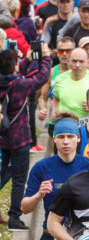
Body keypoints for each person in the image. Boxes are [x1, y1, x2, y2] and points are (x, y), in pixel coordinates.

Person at [0, 45, 52, 229]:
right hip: (19, 138)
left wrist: (28, 60)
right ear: (14, 65)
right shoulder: (19, 84)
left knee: (3, 171)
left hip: (3, 136)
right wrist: (46, 57)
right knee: (19, 179)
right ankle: (14, 217)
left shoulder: (6, 81)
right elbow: (42, 77)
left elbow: (14, 72)